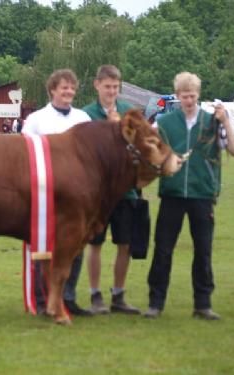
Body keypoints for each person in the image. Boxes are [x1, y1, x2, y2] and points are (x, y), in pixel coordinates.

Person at [144, 71, 234, 320]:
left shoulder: (212, 122)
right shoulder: (163, 124)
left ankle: (203, 304)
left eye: (193, 96)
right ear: (177, 96)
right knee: (163, 249)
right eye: (185, 96)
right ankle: (155, 303)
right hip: (172, 193)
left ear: (199, 95)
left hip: (202, 194)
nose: (189, 100)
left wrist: (226, 121)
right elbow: (146, 151)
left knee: (203, 250)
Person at [22, 68, 92, 316]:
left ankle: (68, 297)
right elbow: (24, 155)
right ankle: (41, 300)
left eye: (72, 87)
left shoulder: (83, 118)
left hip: (75, 197)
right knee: (42, 246)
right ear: (53, 90)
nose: (69, 92)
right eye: (64, 87)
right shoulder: (36, 120)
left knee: (75, 246)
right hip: (44, 195)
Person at [82, 65, 141, 315]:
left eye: (116, 87)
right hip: (98, 193)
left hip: (125, 190)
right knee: (94, 244)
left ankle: (118, 295)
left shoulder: (130, 112)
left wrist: (122, 129)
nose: (111, 92)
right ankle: (95, 294)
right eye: (107, 87)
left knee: (125, 244)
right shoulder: (86, 115)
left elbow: (141, 149)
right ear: (97, 85)